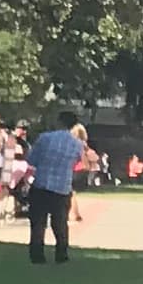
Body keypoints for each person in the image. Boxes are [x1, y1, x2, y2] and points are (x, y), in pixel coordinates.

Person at [27, 109, 86, 262]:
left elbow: (32, 160)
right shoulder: (77, 144)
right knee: (60, 223)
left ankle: (37, 254)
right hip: (62, 187)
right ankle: (61, 253)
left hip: (42, 184)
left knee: (38, 222)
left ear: (59, 121)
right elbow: (77, 162)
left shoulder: (45, 138)